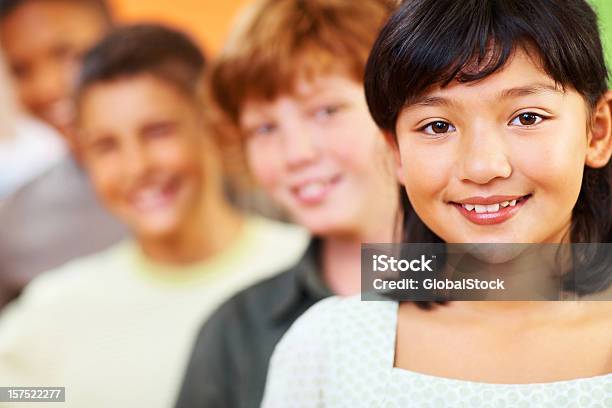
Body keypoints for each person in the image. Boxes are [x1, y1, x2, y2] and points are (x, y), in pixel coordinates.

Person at [262, 0, 612, 406]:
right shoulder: (329, 346)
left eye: (527, 118)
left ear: (597, 131)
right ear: (396, 154)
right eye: (437, 126)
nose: (482, 167)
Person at [0, 24, 308, 408]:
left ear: (212, 125)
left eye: (158, 132)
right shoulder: (53, 308)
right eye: (105, 146)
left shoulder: (311, 264)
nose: (135, 167)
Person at [175, 1, 398, 407]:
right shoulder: (236, 331)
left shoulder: (503, 284)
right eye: (264, 127)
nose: (296, 153)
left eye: (326, 111)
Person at [0, 0, 125, 309]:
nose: (47, 87)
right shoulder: (13, 228)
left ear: (119, 39)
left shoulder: (217, 175)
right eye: (20, 70)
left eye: (66, 53)